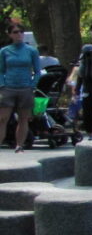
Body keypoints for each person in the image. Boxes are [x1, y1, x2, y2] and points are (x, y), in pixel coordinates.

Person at [0, 23, 41, 151]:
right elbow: (1, 70)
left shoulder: (31, 50)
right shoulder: (4, 51)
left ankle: (20, 145)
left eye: (21, 32)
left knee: (23, 118)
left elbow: (38, 70)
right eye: (15, 32)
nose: (19, 35)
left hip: (25, 87)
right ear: (10, 34)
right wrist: (2, 85)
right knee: (2, 118)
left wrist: (32, 85)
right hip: (8, 87)